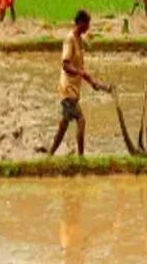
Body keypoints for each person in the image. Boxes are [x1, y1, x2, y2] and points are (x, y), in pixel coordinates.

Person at [45, 10, 112, 156]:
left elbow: (81, 69)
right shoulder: (70, 39)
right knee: (81, 120)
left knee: (63, 124)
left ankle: (50, 154)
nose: (88, 26)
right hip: (67, 89)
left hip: (73, 90)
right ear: (80, 23)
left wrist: (95, 83)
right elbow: (66, 65)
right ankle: (81, 158)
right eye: (87, 23)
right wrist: (81, 73)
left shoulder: (79, 40)